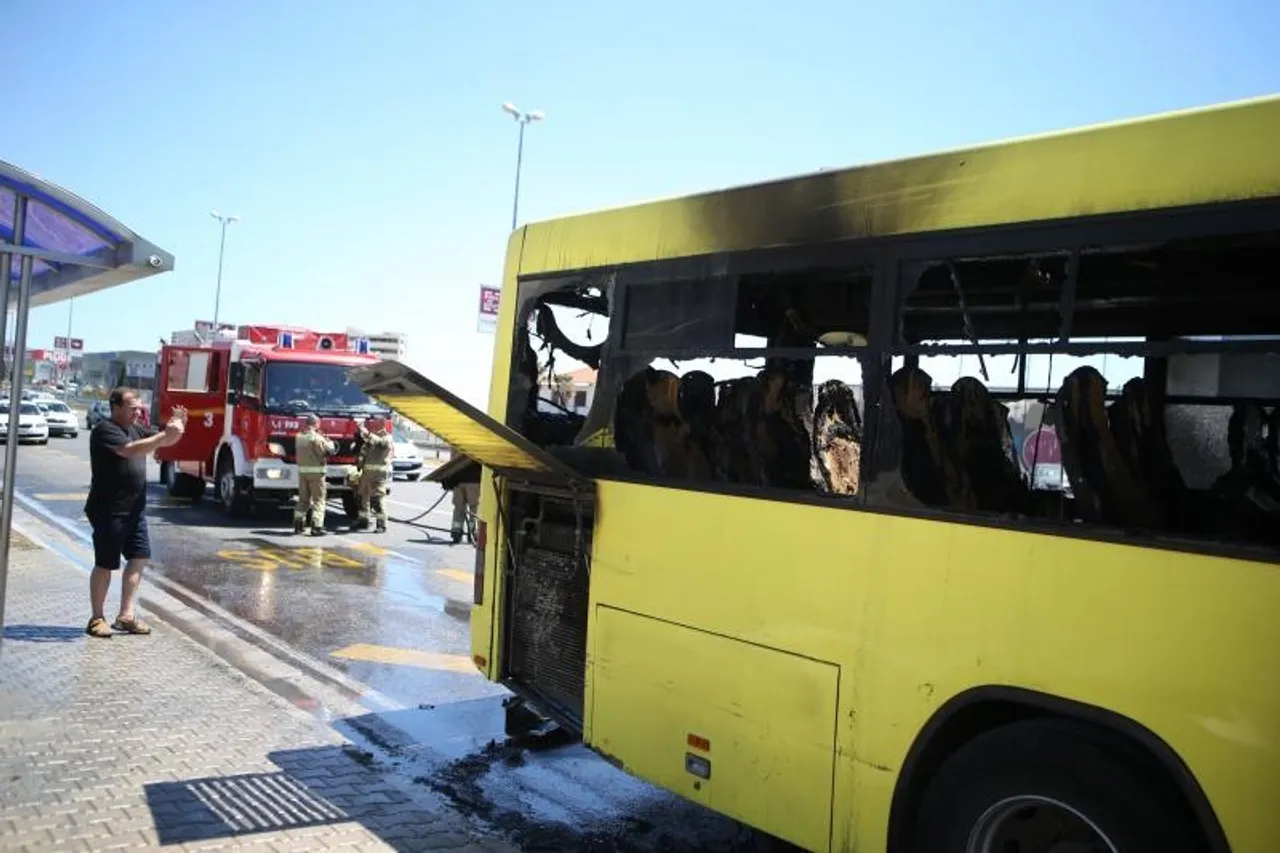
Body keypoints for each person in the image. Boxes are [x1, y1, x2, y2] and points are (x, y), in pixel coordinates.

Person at [84, 388, 187, 638]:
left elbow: (164, 441)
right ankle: (96, 618)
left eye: (140, 408)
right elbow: (129, 450)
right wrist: (165, 435)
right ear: (116, 407)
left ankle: (126, 616)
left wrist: (177, 427)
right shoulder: (105, 430)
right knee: (106, 564)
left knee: (139, 558)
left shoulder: (136, 428)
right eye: (132, 407)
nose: (137, 412)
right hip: (110, 510)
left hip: (135, 510)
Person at [294, 413, 335, 536]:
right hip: (317, 473)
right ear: (316, 423)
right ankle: (317, 527)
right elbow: (328, 450)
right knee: (319, 500)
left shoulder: (299, 436)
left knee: (303, 500)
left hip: (303, 473)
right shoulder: (317, 437)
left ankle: (298, 524)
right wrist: (328, 441)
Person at [353, 415, 393, 533]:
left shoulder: (387, 437)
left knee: (377, 498)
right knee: (362, 498)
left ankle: (381, 525)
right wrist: (359, 464)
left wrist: (368, 434)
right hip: (366, 474)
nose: (372, 424)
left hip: (377, 474)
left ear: (381, 423)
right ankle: (363, 521)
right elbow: (364, 452)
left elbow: (381, 443)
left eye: (375, 422)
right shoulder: (370, 438)